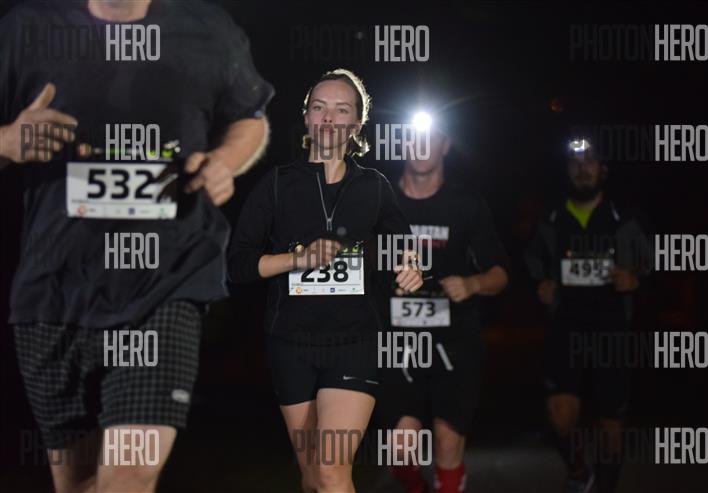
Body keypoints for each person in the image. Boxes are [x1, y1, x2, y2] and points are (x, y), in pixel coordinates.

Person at [0, 1, 273, 491]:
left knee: (129, 473)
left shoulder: (206, 29)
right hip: (54, 291)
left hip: (164, 284)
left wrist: (225, 161)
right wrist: (6, 141)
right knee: (79, 483)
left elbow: (250, 117)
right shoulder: (27, 29)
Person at [227, 68, 423, 493]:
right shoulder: (276, 185)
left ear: (357, 123)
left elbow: (404, 246)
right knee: (313, 476)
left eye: (341, 110)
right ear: (307, 118)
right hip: (290, 344)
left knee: (333, 471)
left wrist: (411, 265)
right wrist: (296, 260)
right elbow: (238, 264)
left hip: (355, 343)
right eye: (320, 108)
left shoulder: (374, 186)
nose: (329, 118)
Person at [376, 111, 509, 493]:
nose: (421, 146)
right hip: (396, 345)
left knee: (447, 441)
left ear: (446, 146)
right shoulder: (378, 202)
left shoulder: (466, 203)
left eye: (430, 138)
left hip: (456, 343)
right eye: (412, 137)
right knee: (401, 447)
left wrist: (473, 283)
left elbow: (501, 273)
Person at [524, 137, 652, 493]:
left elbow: (654, 263)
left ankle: (606, 484)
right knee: (559, 415)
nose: (583, 169)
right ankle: (579, 470)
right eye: (575, 163)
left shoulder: (625, 218)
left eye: (590, 162)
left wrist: (636, 278)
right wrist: (540, 283)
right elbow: (531, 259)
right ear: (567, 170)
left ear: (603, 170)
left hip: (612, 331)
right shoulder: (551, 218)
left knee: (611, 423)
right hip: (565, 329)